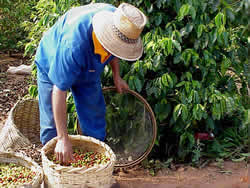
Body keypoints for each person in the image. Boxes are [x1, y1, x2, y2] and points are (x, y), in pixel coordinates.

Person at [35, 2, 147, 164]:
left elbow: (116, 50)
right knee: (51, 127)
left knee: (94, 116)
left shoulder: (122, 22)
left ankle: (95, 168)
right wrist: (62, 138)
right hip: (51, 61)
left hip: (89, 69)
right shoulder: (73, 45)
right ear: (104, 35)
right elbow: (58, 90)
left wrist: (117, 75)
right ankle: (55, 171)